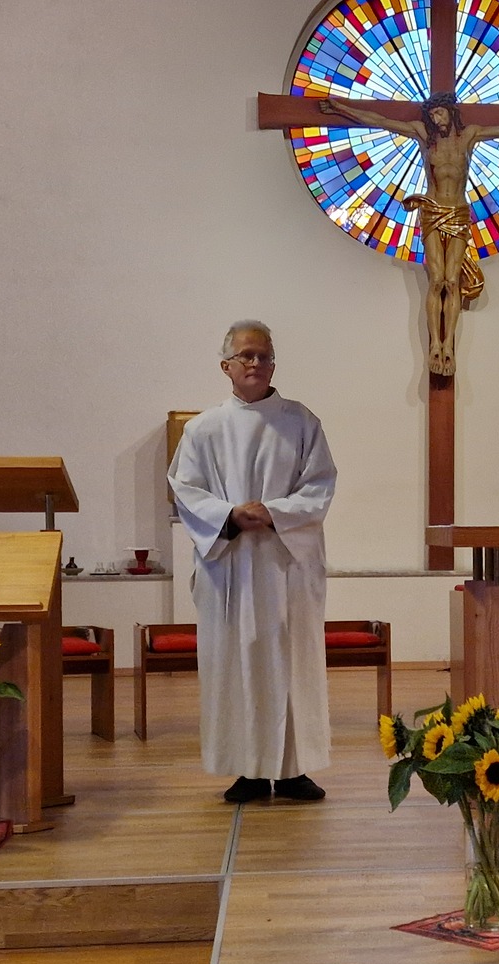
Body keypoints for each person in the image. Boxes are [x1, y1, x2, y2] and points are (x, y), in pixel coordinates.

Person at [168, 320, 337, 803]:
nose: (257, 363)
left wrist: (275, 512)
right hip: (231, 566)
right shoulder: (203, 428)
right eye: (247, 355)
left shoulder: (301, 422)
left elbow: (320, 484)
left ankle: (292, 770)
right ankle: (247, 770)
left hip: (286, 566)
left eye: (265, 356)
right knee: (234, 663)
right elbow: (185, 490)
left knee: (291, 663)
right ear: (226, 366)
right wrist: (228, 515)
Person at [320, 92, 499, 378]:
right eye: (432, 115)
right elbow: (379, 120)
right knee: (436, 280)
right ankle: (434, 346)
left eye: (439, 113)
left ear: (451, 111)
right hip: (431, 211)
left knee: (452, 282)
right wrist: (340, 107)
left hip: (459, 212)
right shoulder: (422, 135)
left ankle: (448, 345)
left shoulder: (469, 136)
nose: (436, 119)